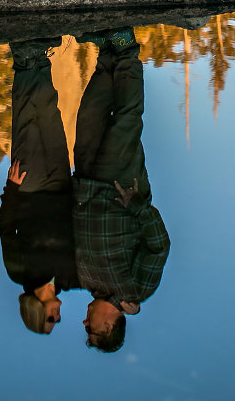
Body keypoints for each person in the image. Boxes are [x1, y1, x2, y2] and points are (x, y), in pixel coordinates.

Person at [72, 28, 170, 353]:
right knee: (125, 121)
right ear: (109, 326)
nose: (86, 323)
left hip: (85, 182)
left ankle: (106, 55)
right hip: (121, 187)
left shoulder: (87, 282)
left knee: (89, 118)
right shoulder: (137, 289)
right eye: (93, 330)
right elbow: (159, 247)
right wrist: (138, 205)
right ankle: (126, 50)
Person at [0, 38, 78, 334]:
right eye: (56, 321)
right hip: (59, 183)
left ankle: (23, 57)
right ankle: (41, 60)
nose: (58, 317)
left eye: (50, 320)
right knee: (50, 117)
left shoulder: (19, 273)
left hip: (29, 188)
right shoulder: (68, 280)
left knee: (26, 123)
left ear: (36, 312)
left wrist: (12, 189)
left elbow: (6, 229)